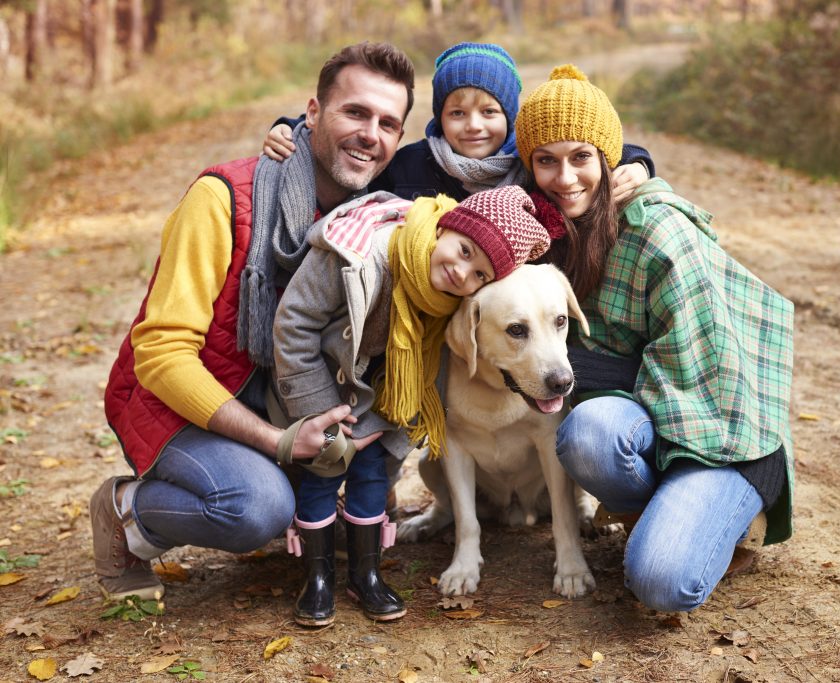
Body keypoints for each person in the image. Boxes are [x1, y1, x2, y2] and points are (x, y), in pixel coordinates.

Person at [91, 42, 416, 605]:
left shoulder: (371, 220)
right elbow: (163, 356)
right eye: (355, 113)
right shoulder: (222, 199)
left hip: (280, 397)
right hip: (177, 402)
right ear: (311, 113)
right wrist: (279, 442)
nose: (371, 134)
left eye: (389, 123)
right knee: (256, 508)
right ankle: (127, 513)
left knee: (362, 476)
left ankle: (298, 491)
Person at [514, 65, 796, 613]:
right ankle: (660, 512)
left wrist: (587, 368)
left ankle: (734, 516)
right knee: (585, 435)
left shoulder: (658, 233)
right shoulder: (547, 234)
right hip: (653, 416)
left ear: (607, 160)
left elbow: (700, 379)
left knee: (662, 584)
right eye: (545, 160)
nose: (564, 176)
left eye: (580, 157)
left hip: (720, 434)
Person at [272, 184, 562, 626]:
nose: (463, 273)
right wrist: (317, 413)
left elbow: (419, 377)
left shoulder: (447, 299)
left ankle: (365, 575)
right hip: (319, 399)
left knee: (372, 477)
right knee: (321, 474)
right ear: (446, 226)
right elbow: (293, 326)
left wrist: (386, 424)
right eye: (464, 250)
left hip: (382, 403)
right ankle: (317, 578)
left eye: (480, 274)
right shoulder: (357, 252)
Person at [262, 42, 654, 204]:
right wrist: (290, 126)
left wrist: (638, 163)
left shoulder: (529, 164)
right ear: (439, 118)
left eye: (489, 112)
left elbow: (591, 147)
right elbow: (346, 146)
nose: (473, 126)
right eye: (457, 113)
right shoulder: (412, 163)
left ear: (511, 118)